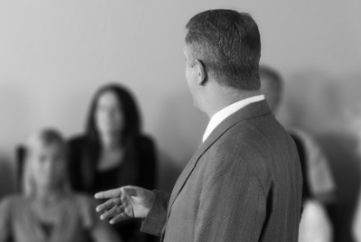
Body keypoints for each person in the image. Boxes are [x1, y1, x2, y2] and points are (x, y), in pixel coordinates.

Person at [95, 9, 303, 242]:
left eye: (186, 62)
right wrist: (157, 207)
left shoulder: (232, 154)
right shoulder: (278, 135)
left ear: (200, 71)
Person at [0, 129, 120, 242]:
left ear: (66, 163)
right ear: (29, 163)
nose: (49, 167)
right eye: (42, 159)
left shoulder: (85, 205)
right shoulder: (10, 206)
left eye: (57, 159)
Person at [67, 84, 157, 242]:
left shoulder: (143, 147)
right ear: (93, 113)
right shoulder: (75, 148)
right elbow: (73, 200)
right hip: (87, 229)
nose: (108, 115)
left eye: (117, 109)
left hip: (129, 232)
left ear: (128, 114)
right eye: (101, 108)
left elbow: (147, 202)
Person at [259, 66, 335, 242]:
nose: (262, 96)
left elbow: (324, 196)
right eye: (255, 89)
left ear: (279, 96)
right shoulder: (219, 143)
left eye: (269, 89)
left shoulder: (301, 142)